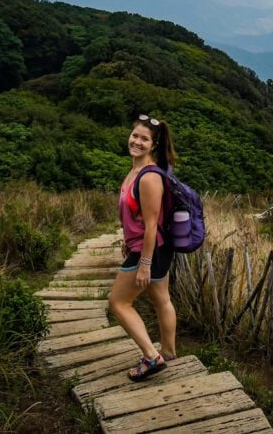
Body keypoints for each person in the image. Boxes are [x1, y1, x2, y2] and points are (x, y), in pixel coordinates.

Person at [109, 113, 178, 381]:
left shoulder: (149, 177)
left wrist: (144, 265)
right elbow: (134, 216)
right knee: (161, 299)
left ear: (154, 145)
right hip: (149, 248)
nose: (136, 141)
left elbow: (151, 225)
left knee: (119, 302)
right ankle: (169, 353)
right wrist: (128, 241)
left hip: (150, 250)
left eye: (144, 139)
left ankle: (152, 357)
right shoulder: (135, 169)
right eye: (135, 135)